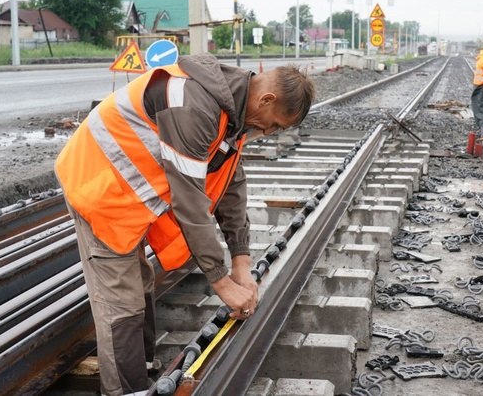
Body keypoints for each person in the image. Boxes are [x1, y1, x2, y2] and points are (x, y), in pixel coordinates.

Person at [54, 54, 315, 396]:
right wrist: (221, 282)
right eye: (275, 125)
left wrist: (242, 263)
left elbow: (231, 185)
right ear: (267, 99)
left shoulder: (232, 111)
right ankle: (125, 391)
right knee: (122, 302)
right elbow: (190, 201)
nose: (268, 132)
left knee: (139, 282)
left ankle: (143, 372)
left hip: (128, 196)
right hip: (99, 187)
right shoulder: (194, 105)